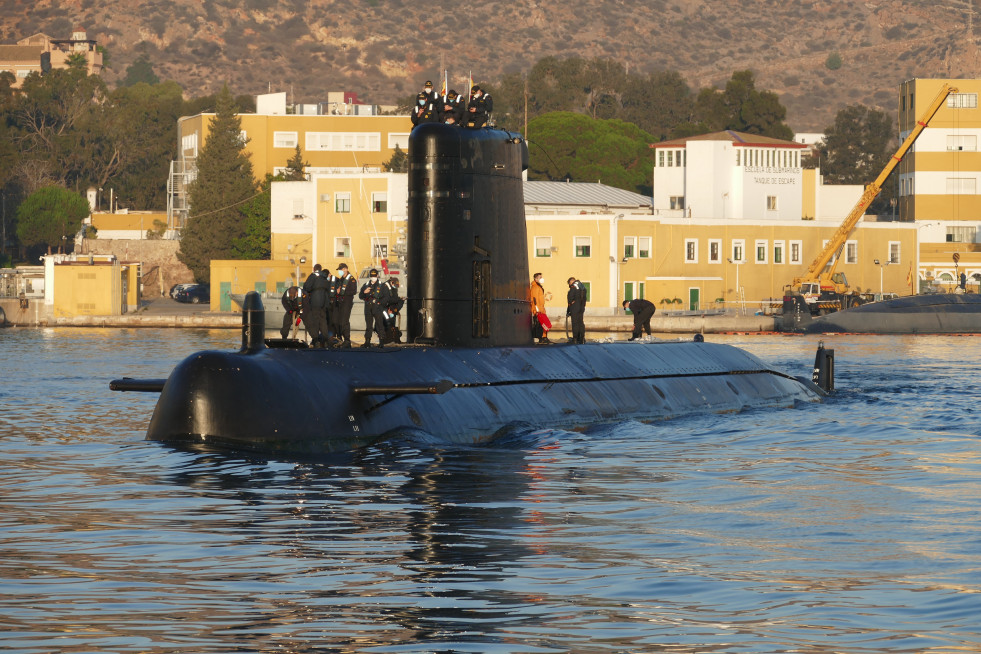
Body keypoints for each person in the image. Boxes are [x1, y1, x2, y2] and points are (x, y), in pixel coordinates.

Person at [302, 264, 331, 347]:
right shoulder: (324, 277)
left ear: (314, 269)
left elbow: (306, 287)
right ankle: (325, 340)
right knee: (323, 321)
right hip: (324, 302)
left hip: (315, 301)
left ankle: (316, 340)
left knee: (315, 321)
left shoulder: (313, 276)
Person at [331, 263, 357, 347]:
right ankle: (339, 337)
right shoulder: (341, 279)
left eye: (341, 270)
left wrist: (343, 292)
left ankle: (347, 340)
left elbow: (353, 291)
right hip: (340, 302)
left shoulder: (351, 279)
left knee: (344, 322)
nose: (340, 271)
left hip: (347, 302)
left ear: (345, 269)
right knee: (337, 321)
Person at [359, 268, 384, 347]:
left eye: (374, 275)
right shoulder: (366, 285)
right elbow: (360, 296)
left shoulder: (382, 285)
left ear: (377, 275)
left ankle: (381, 341)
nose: (373, 277)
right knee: (369, 325)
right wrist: (364, 292)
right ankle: (367, 341)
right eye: (372, 276)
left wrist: (380, 303)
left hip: (377, 307)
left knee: (379, 324)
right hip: (368, 307)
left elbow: (386, 297)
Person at [379, 277, 405, 345]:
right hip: (384, 309)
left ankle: (391, 338)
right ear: (392, 282)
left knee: (392, 323)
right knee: (387, 322)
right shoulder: (385, 287)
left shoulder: (394, 288)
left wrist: (400, 300)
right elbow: (387, 300)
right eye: (394, 285)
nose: (395, 287)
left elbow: (394, 299)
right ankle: (384, 339)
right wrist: (398, 299)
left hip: (391, 308)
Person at [530, 272, 552, 344]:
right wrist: (536, 310)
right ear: (536, 279)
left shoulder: (539, 287)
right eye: (540, 277)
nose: (541, 279)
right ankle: (542, 338)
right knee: (542, 324)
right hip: (538, 309)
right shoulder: (535, 287)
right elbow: (535, 300)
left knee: (545, 324)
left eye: (541, 277)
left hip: (541, 309)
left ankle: (544, 337)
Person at [566, 277, 587, 344]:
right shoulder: (583, 287)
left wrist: (570, 305)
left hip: (575, 307)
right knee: (581, 322)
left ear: (571, 282)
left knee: (575, 323)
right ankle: (582, 339)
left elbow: (570, 299)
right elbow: (585, 298)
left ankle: (575, 339)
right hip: (581, 307)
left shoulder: (573, 287)